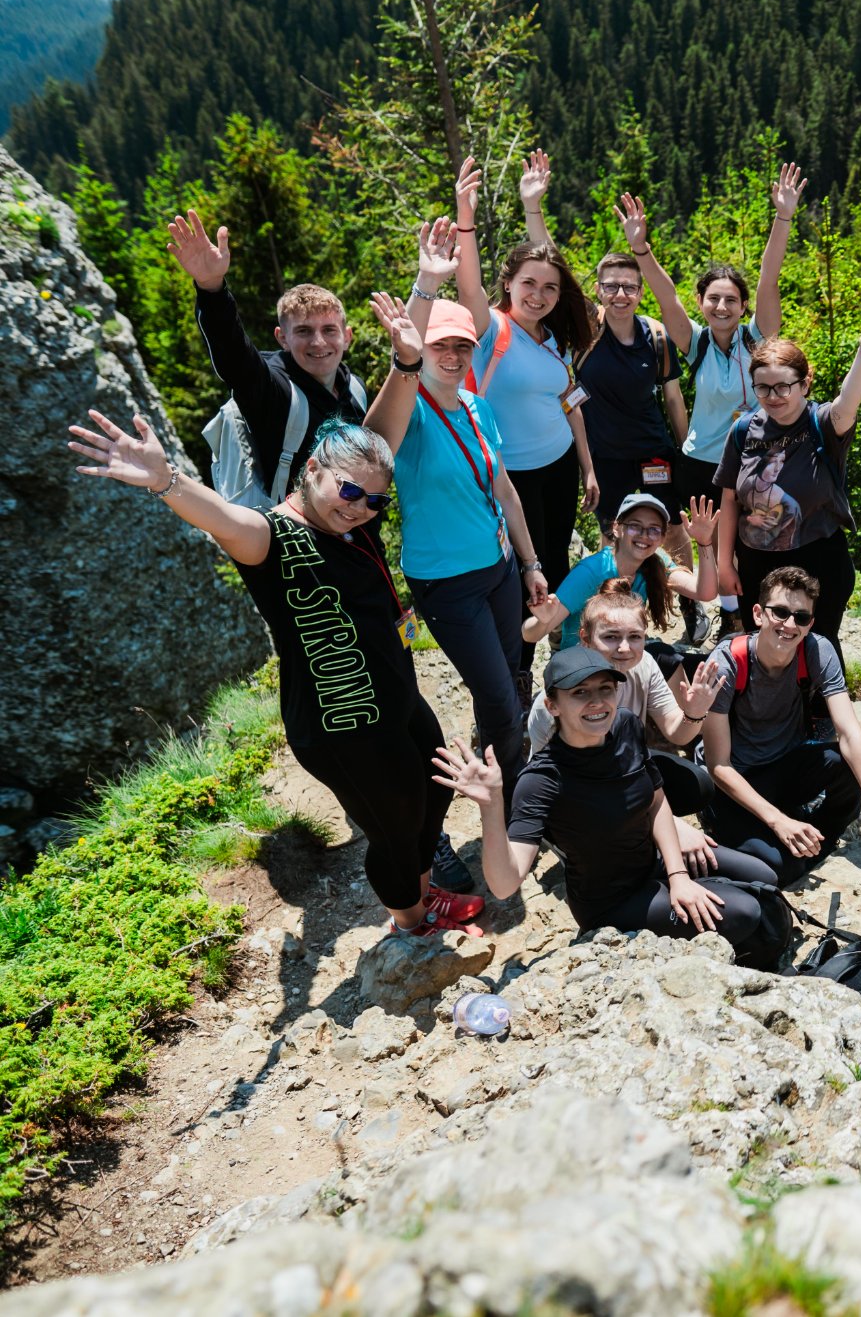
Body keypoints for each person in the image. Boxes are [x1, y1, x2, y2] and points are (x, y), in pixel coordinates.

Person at [67, 412, 484, 938]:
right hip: (341, 722)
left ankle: (424, 894)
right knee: (396, 826)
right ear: (312, 469)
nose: (360, 508)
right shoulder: (272, 538)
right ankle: (411, 922)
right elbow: (223, 518)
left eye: (376, 501)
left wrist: (406, 359)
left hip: (393, 698)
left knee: (435, 788)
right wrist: (165, 479)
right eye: (350, 491)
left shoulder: (351, 525)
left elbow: (386, 427)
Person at [435, 649, 785, 967]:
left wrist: (678, 875)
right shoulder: (541, 780)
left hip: (655, 863)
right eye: (580, 693)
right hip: (612, 901)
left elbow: (655, 798)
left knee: (764, 875)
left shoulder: (625, 725)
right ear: (552, 705)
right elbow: (503, 884)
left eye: (606, 689)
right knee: (746, 910)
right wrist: (491, 805)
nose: (597, 702)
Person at [420, 155, 600, 694]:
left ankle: (562, 652)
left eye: (548, 288)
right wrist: (465, 217)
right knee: (525, 570)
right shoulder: (489, 325)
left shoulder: (555, 339)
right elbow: (470, 284)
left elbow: (570, 402)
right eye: (528, 284)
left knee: (557, 559)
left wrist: (587, 465)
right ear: (510, 284)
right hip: (510, 474)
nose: (539, 295)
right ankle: (519, 673)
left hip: (559, 465)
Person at [364, 288, 549, 785]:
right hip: (446, 580)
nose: (452, 356)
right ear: (420, 348)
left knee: (507, 679)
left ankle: (497, 753)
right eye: (439, 345)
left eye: (462, 346)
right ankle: (510, 789)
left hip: (501, 567)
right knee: (497, 696)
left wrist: (530, 564)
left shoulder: (477, 407)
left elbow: (505, 489)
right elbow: (375, 440)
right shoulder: (413, 413)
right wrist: (402, 359)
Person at [609, 169, 802, 640]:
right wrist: (640, 248)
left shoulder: (758, 340)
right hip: (700, 464)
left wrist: (783, 219)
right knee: (699, 541)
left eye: (731, 300)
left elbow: (769, 279)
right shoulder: (694, 345)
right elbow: (664, 295)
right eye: (713, 299)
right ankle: (703, 609)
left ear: (741, 307)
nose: (721, 306)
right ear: (702, 302)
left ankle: (741, 616)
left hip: (753, 461)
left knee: (746, 543)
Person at [699, 567, 861, 887]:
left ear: (810, 622)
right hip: (735, 780)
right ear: (758, 614)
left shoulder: (816, 650)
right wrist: (778, 821)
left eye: (800, 617)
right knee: (776, 868)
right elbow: (718, 766)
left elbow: (851, 734)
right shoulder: (728, 663)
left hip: (783, 767)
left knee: (846, 768)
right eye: (780, 613)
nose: (789, 625)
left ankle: (811, 844)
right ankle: (782, 842)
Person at [712, 317, 861, 657]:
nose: (773, 397)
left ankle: (821, 708)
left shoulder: (824, 423)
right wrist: (725, 564)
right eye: (763, 387)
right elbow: (730, 500)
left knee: (816, 646)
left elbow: (848, 401)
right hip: (755, 561)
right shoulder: (743, 431)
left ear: (804, 384)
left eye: (783, 386)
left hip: (819, 558)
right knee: (762, 646)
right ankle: (764, 709)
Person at [514, 159, 690, 533]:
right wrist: (533, 206)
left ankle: (682, 595)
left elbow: (673, 400)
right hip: (607, 460)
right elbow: (554, 264)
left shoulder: (656, 336)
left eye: (629, 287)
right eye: (611, 286)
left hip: (655, 454)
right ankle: (623, 595)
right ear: (598, 291)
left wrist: (685, 452)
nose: (620, 294)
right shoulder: (586, 330)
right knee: (617, 539)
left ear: (641, 293)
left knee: (670, 532)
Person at [165, 211, 368, 498]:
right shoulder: (273, 390)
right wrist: (211, 288)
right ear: (282, 338)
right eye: (304, 331)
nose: (319, 342)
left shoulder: (355, 388)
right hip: (293, 537)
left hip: (356, 536)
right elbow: (235, 357)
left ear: (347, 337)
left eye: (329, 330)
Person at [526, 578, 725, 812]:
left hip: (623, 763)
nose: (624, 648)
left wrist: (694, 712)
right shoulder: (562, 689)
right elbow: (549, 775)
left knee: (696, 785)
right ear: (585, 638)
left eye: (634, 637)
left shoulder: (644, 665)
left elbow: (676, 732)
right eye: (610, 637)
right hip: (570, 781)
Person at [523, 492, 716, 650]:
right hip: (584, 663)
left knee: (680, 661)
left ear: (662, 537)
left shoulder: (655, 562)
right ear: (616, 528)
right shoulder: (591, 573)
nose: (644, 535)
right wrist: (543, 621)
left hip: (623, 654)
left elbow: (704, 592)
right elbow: (530, 635)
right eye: (635, 526)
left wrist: (704, 542)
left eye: (654, 529)